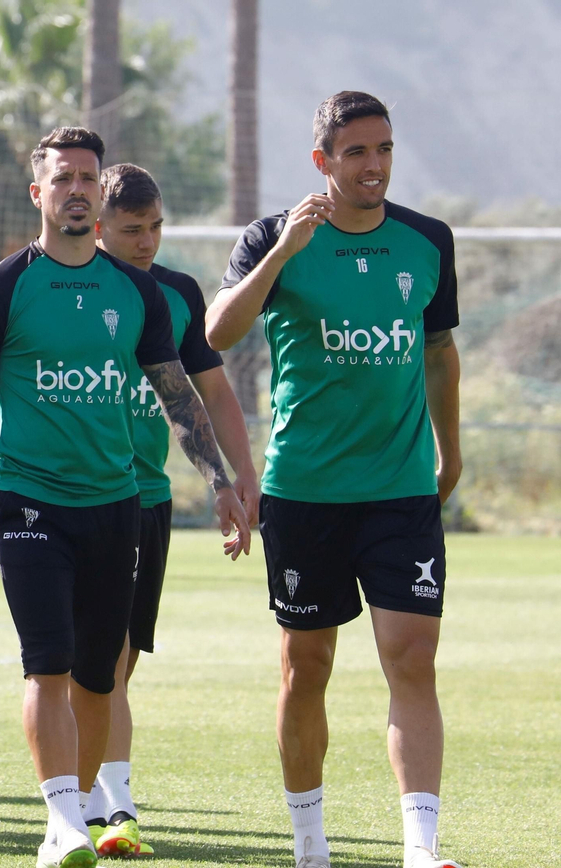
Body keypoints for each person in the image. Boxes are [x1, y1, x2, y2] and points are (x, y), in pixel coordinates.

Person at [0, 126, 248, 868]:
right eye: (63, 178)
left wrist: (221, 483)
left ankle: (72, 817)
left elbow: (178, 394)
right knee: (48, 663)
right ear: (38, 192)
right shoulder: (1, 287)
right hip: (32, 501)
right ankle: (65, 822)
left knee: (101, 677)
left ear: (102, 193)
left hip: (116, 506)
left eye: (88, 178)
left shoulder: (137, 291)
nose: (77, 189)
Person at [205, 91, 463, 868]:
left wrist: (452, 453)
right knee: (306, 667)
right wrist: (283, 251)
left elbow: (440, 352)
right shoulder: (271, 238)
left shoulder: (426, 241)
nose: (374, 165)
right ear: (322, 161)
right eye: (355, 152)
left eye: (383, 148)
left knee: (412, 657)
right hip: (305, 491)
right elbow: (216, 333)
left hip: (401, 489)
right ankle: (310, 845)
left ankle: (420, 848)